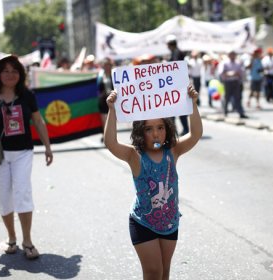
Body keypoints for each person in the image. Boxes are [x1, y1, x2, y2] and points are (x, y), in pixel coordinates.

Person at [104, 85, 202, 280]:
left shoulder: (173, 151)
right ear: (141, 132)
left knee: (164, 273)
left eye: (160, 127)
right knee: (153, 272)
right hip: (143, 222)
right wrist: (112, 110)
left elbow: (195, 134)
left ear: (167, 129)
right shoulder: (134, 155)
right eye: (149, 129)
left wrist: (193, 104)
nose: (156, 134)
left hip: (170, 222)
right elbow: (111, 143)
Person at [0, 55, 53, 259]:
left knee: (23, 193)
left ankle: (27, 240)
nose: (10, 74)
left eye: (14, 70)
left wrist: (48, 148)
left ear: (20, 74)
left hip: (23, 151)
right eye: (5, 70)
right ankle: (11, 237)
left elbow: (39, 122)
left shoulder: (27, 95)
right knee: (3, 197)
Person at [166, 34, 189, 135]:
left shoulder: (176, 53)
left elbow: (175, 68)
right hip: (176, 85)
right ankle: (176, 130)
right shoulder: (176, 52)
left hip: (177, 86)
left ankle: (182, 129)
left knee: (178, 109)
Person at [220, 50, 248, 118]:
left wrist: (233, 74)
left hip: (236, 82)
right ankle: (225, 111)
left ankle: (240, 112)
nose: (232, 56)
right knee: (227, 97)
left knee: (237, 97)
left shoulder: (238, 63)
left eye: (234, 55)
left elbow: (240, 73)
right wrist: (231, 74)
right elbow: (222, 73)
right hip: (228, 82)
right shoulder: (225, 63)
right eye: (231, 54)